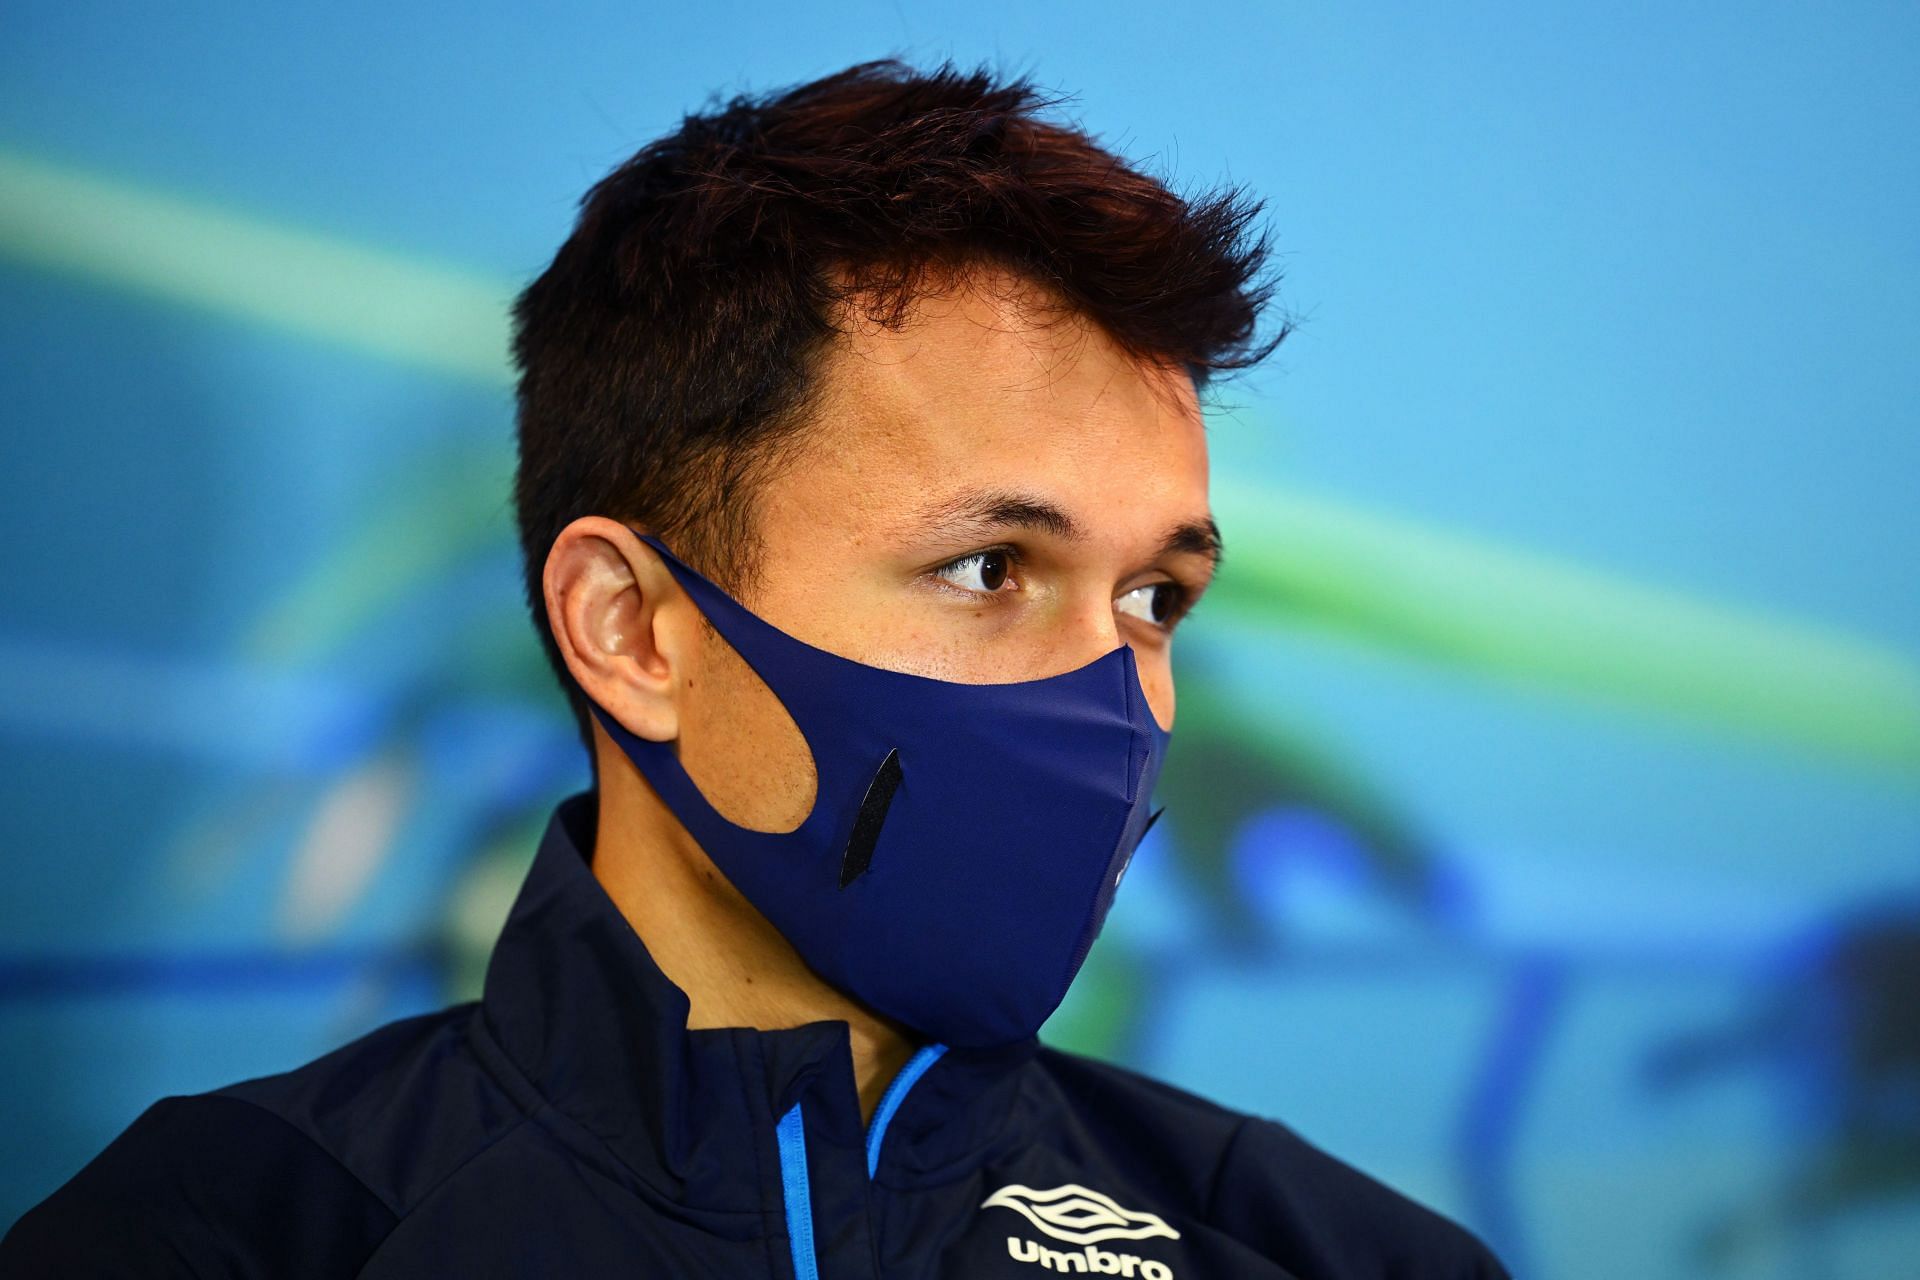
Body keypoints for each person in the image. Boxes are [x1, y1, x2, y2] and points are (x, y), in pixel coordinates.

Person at [2, 57, 1508, 1278]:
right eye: (990, 569)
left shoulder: (1332, 1256)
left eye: (1155, 596)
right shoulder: (227, 1237)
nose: (1111, 700)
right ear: (632, 627)